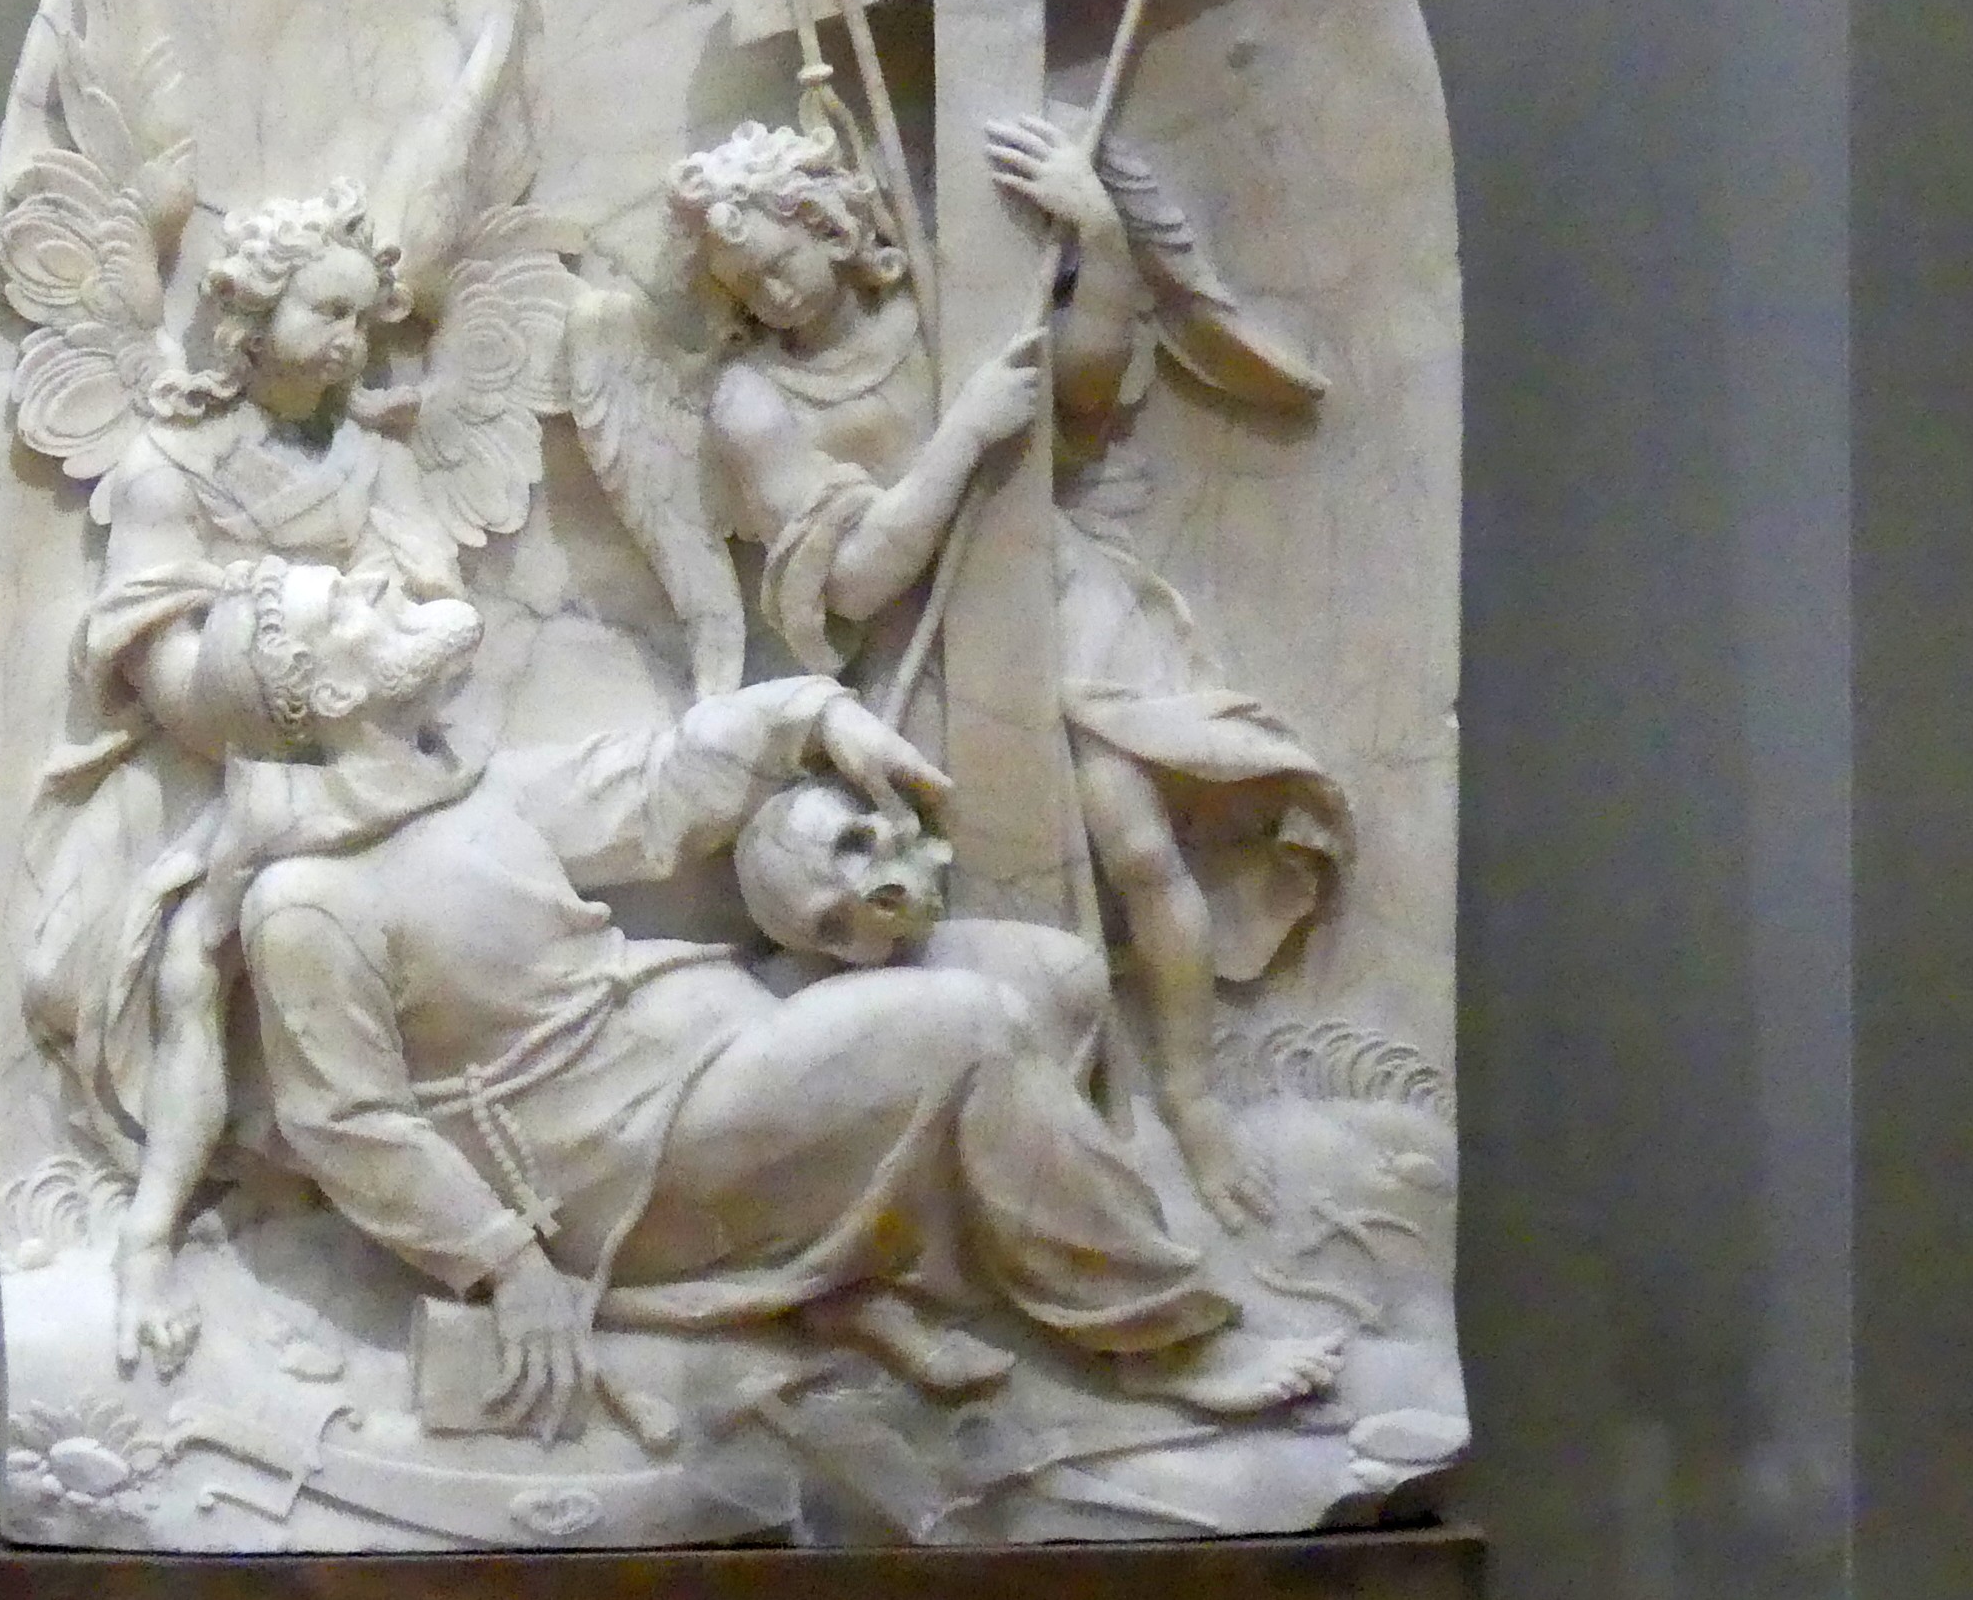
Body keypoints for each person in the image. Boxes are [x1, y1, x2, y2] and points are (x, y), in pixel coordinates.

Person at [224, 558, 1345, 1439]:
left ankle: (903, 1274)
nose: (382, 583)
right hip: (628, 1164)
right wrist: (507, 1261)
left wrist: (811, 715)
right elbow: (348, 1122)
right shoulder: (309, 900)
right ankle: (1159, 1336)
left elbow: (654, 786)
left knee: (1049, 977)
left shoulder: (462, 796)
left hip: (710, 1054)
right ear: (333, 693)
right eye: (348, 603)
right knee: (966, 1024)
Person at [668, 116, 1352, 1227]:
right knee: (971, 908)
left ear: (827, 221)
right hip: (932, 651)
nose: (772, 292)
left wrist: (1100, 239)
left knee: (1136, 841)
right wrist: (963, 433)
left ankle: (1189, 1096)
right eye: (744, 282)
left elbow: (1078, 390)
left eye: (780, 258)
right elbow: (855, 580)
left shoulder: (939, 297)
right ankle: (1024, 1145)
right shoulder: (753, 401)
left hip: (1052, 595)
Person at [17, 181, 467, 1373]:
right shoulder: (172, 467)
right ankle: (150, 1240)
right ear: (252, 319)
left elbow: (441, 613)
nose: (351, 340)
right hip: (219, 771)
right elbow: (161, 666)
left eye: (364, 318)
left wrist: (370, 663)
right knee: (190, 962)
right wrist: (282, 673)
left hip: (372, 753)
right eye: (327, 311)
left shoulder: (375, 462)